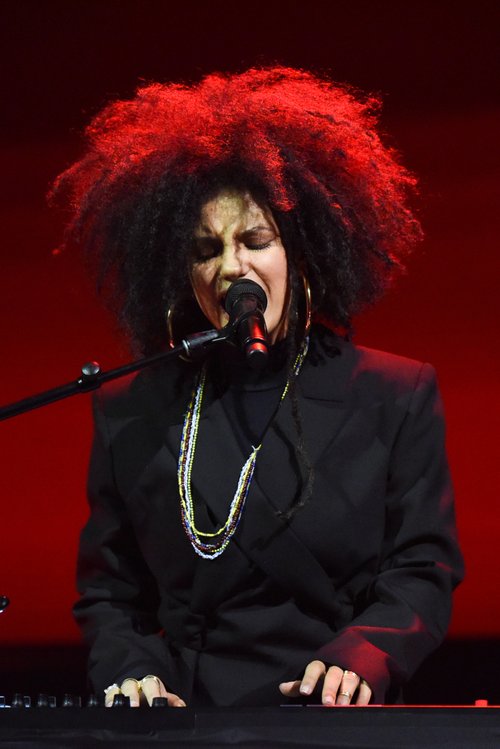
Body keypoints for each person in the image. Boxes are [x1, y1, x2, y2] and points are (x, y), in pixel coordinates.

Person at [52, 66, 464, 708]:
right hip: (187, 719)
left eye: (255, 240)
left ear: (301, 253)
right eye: (205, 250)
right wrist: (129, 672)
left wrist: (365, 656)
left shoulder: (394, 393)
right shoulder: (132, 408)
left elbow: (422, 570)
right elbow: (109, 595)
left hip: (336, 716)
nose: (231, 267)